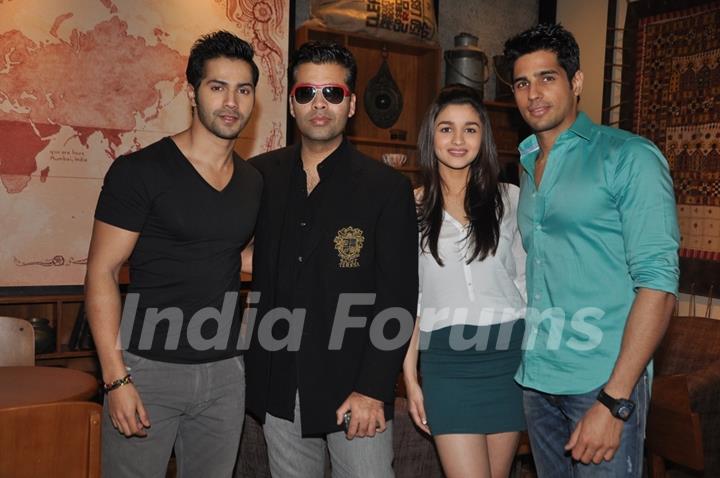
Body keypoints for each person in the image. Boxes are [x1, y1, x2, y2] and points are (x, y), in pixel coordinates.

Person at [503, 23, 680, 477]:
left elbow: (658, 286)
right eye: (522, 82)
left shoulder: (629, 157)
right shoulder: (526, 165)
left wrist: (615, 400)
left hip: (600, 382)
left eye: (547, 77)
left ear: (575, 82)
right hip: (537, 380)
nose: (533, 94)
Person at [85, 31, 262, 478]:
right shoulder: (140, 171)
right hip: (147, 370)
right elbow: (102, 272)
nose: (231, 102)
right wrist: (116, 377)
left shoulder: (252, 182)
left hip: (224, 373)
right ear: (192, 92)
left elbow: (230, 256)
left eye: (243, 90)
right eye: (217, 87)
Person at [245, 40, 418, 477]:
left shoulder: (386, 188)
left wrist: (373, 389)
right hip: (279, 383)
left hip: (354, 390)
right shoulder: (259, 176)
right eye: (306, 93)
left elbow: (397, 298)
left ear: (352, 103)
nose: (318, 104)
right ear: (291, 103)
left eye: (333, 93)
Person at [402, 84, 527, 478]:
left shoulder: (511, 200)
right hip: (446, 362)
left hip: (509, 357)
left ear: (483, 138)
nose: (458, 140)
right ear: (431, 136)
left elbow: (526, 284)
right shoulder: (409, 207)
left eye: (470, 129)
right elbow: (411, 301)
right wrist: (410, 378)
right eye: (446, 128)